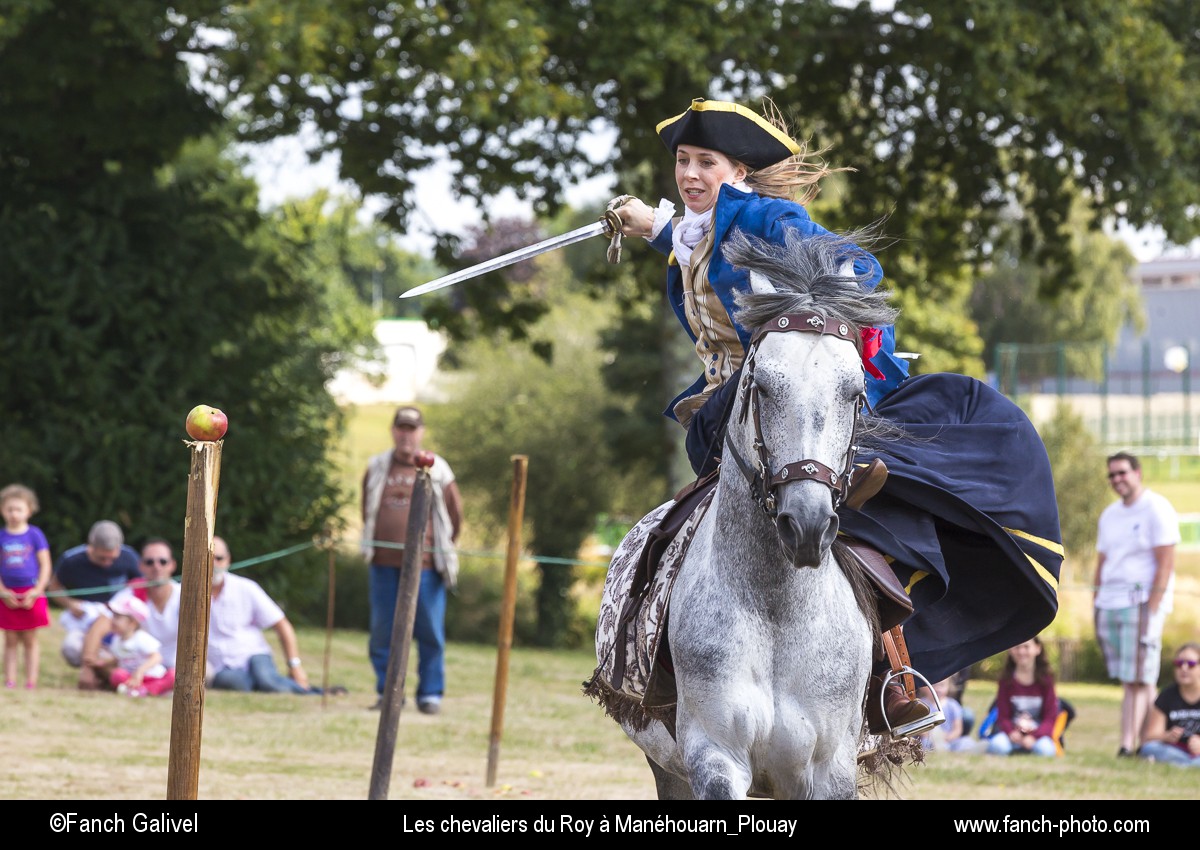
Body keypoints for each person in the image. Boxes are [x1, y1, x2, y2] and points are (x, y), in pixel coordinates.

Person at [607, 97, 1064, 740]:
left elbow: (859, 268)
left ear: (736, 170)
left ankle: (894, 674)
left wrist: (829, 295)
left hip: (794, 400)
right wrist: (650, 225)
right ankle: (651, 654)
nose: (689, 174)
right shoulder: (696, 229)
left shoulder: (771, 215)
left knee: (849, 512)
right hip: (729, 412)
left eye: (705, 162)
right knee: (681, 528)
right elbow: (697, 249)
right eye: (683, 161)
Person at [362, 405, 463, 714]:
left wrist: (439, 548)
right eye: (401, 428)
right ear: (393, 430)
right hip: (383, 564)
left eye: (412, 428)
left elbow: (455, 516)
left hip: (426, 567)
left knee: (430, 631)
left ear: (421, 432)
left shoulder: (439, 468)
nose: (406, 434)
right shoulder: (378, 465)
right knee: (383, 631)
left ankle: (430, 695)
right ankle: (388, 692)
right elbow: (366, 509)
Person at [1094, 450, 1180, 757]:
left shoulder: (1156, 508)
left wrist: (1153, 604)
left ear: (1137, 472)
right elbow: (1102, 561)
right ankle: (1138, 741)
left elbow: (1165, 560)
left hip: (1140, 601)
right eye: (1112, 475)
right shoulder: (1110, 515)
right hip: (1110, 602)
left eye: (1122, 473)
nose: (1117, 479)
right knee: (1129, 679)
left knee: (1140, 676)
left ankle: (1133, 743)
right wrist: (1096, 598)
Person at [206, 535, 334, 694]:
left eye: (219, 558)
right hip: (222, 666)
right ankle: (259, 684)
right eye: (208, 558)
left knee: (267, 680)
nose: (214, 564)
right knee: (233, 682)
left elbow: (282, 625)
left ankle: (316, 692)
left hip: (254, 655)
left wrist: (295, 665)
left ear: (228, 560)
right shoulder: (186, 593)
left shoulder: (246, 588)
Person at [78, 537, 182, 691]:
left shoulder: (183, 596)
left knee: (205, 673)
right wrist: (87, 668)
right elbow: (100, 624)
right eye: (149, 562)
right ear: (141, 566)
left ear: (173, 565)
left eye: (163, 561)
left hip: (174, 665)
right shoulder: (131, 595)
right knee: (78, 648)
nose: (156, 567)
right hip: (134, 664)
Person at [46, 519, 141, 677]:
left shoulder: (129, 556)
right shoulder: (72, 560)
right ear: (91, 546)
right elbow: (53, 587)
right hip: (84, 619)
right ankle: (96, 670)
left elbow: (141, 585)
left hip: (118, 621)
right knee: (71, 648)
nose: (107, 563)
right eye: (102, 558)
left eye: (112, 558)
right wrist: (70, 604)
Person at [0, 484, 52, 689]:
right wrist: (3, 592)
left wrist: (37, 590)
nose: (14, 514)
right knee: (10, 640)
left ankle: (31, 682)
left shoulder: (35, 535)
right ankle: (10, 681)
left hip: (31, 593)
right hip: (7, 595)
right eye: (9, 509)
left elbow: (45, 564)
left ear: (29, 511)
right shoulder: (1, 536)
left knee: (30, 639)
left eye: (18, 509)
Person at [985, 636, 1059, 757]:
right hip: (1012, 735)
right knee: (997, 746)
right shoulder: (1006, 680)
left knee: (1046, 751)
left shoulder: (1046, 681)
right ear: (1010, 650)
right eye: (1017, 647)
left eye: (1026, 647)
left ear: (1037, 649)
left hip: (1037, 736)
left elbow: (1050, 718)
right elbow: (1003, 716)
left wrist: (1034, 737)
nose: (1021, 652)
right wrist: (1011, 732)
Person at [1138, 642, 1200, 767]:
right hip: (1175, 750)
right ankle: (1190, 765)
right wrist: (1167, 736)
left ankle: (1185, 765)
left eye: (1191, 664)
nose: (1184, 668)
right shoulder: (1167, 695)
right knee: (1149, 748)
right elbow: (1151, 736)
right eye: (1179, 663)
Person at [101, 594, 174, 697]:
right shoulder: (116, 640)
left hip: (152, 676)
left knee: (173, 675)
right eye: (113, 616)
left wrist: (140, 671)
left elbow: (156, 657)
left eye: (117, 617)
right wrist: (102, 663)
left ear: (132, 623)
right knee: (117, 675)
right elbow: (118, 659)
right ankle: (146, 690)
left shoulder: (141, 638)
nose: (113, 620)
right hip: (131, 678)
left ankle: (144, 690)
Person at [919, 677, 975, 753]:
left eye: (942, 685)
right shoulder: (921, 705)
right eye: (934, 685)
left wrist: (947, 738)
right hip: (930, 739)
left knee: (965, 741)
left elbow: (958, 729)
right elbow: (920, 729)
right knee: (924, 743)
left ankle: (973, 748)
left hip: (949, 740)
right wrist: (931, 737)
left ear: (948, 686)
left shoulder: (953, 705)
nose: (938, 689)